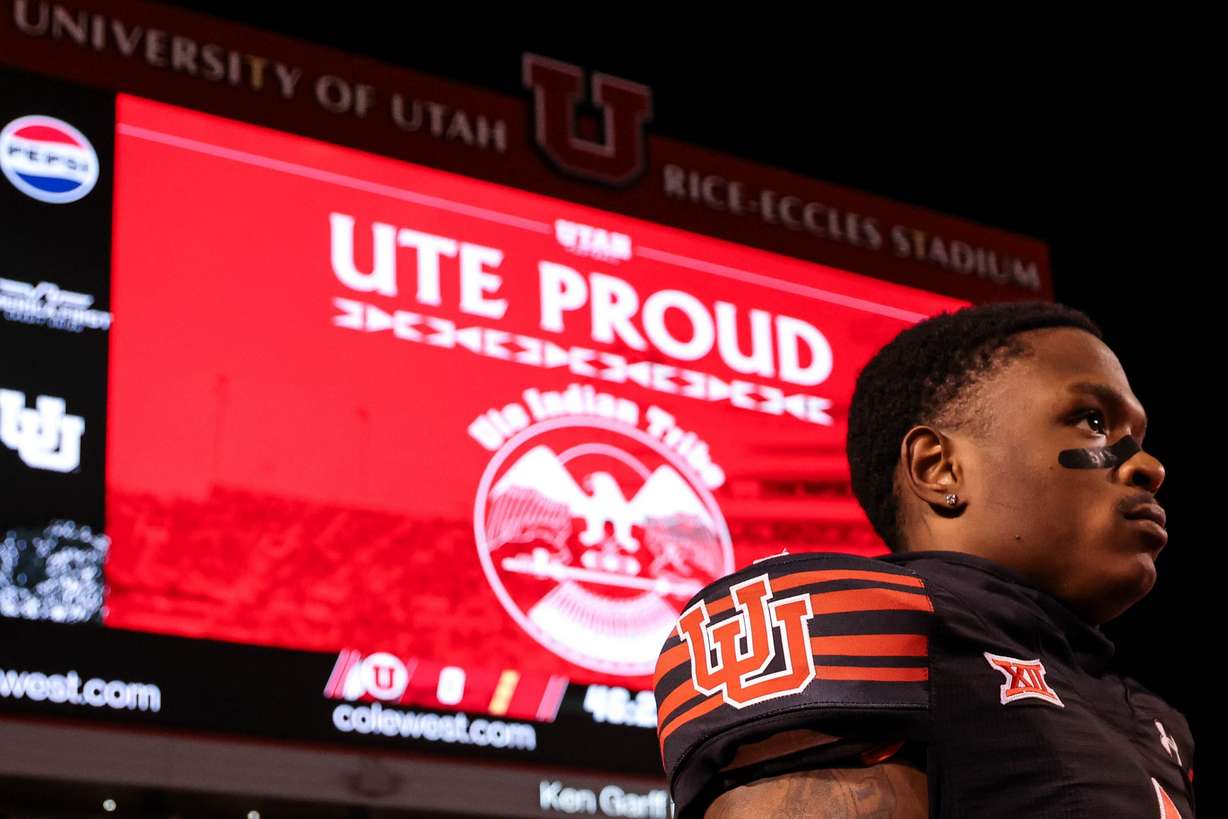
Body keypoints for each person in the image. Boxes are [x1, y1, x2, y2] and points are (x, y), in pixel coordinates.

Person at [653, 302, 1195, 817]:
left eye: (1137, 436)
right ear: (939, 468)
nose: (1148, 466)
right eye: (1092, 421)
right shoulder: (854, 626)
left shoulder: (1153, 720)